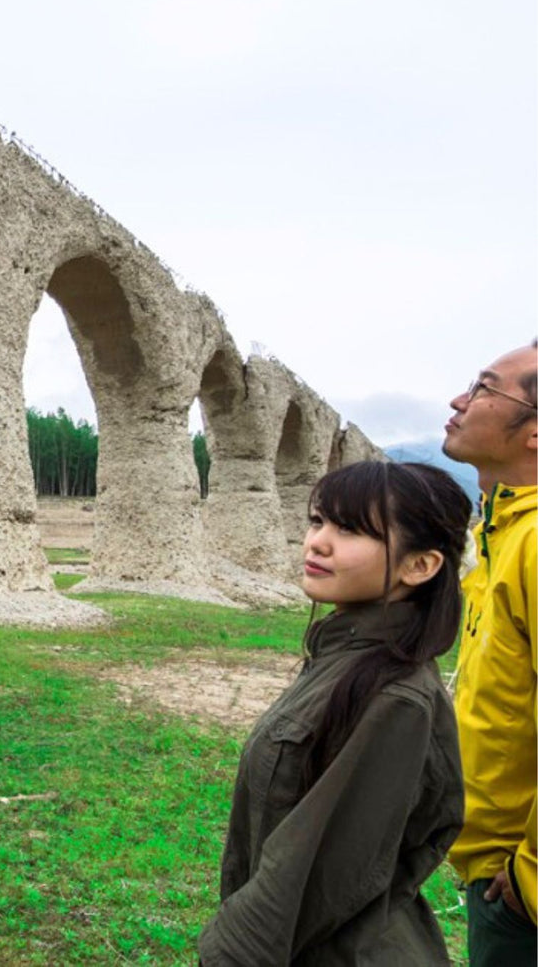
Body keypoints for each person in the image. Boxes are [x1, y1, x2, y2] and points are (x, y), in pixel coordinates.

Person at [199, 461, 471, 965]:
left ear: (420, 566)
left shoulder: (395, 700)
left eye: (349, 530)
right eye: (318, 520)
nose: (317, 542)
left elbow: (314, 874)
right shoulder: (344, 658)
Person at [441, 341, 538, 966]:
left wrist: (529, 881)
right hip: (495, 864)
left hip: (520, 888)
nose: (458, 399)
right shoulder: (505, 528)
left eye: (482, 387)